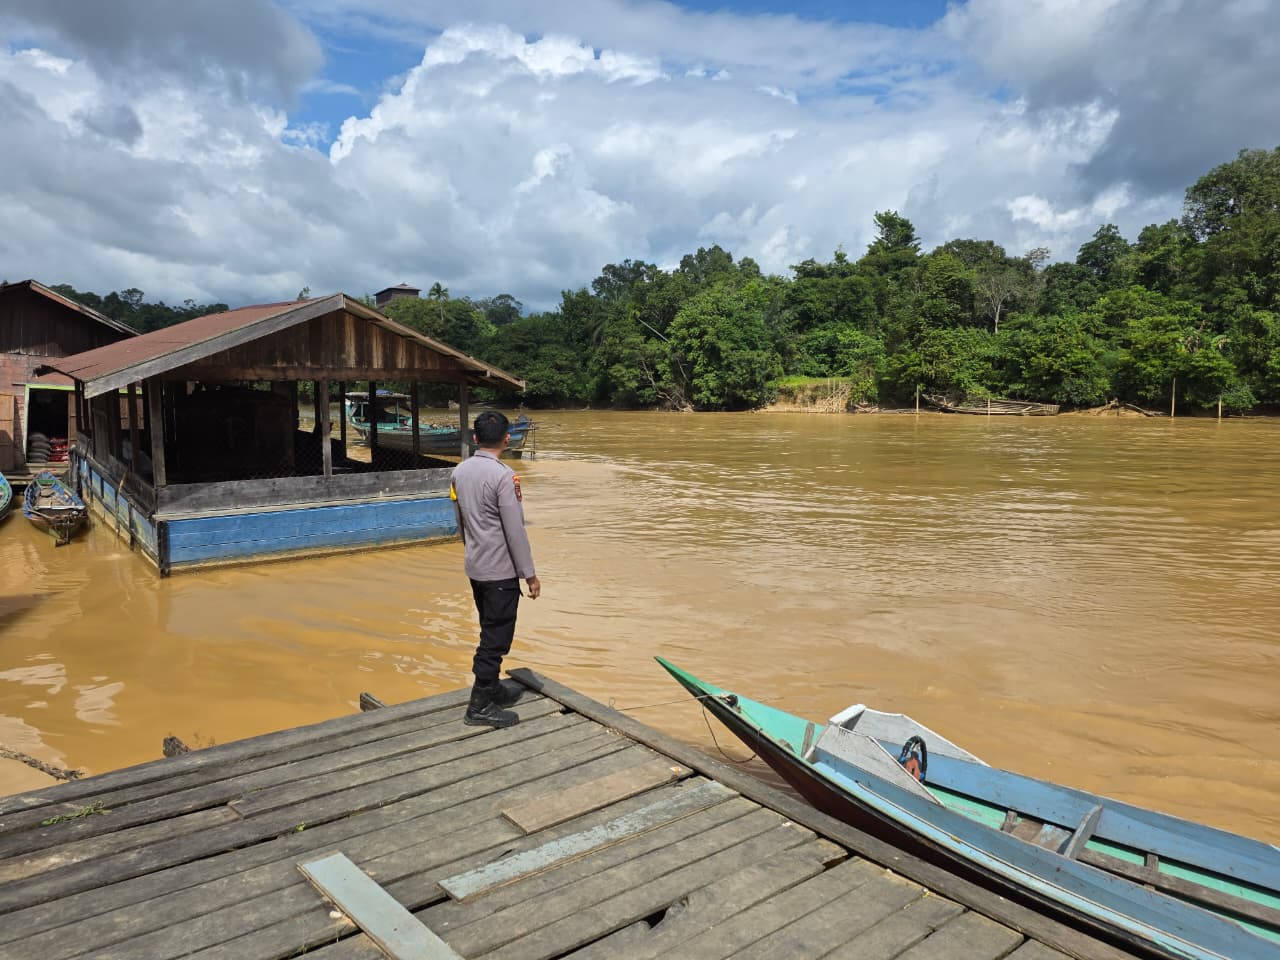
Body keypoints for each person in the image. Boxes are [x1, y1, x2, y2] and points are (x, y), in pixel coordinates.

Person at [450, 411, 541, 727]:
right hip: (500, 572)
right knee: (495, 639)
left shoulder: (459, 472)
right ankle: (479, 706)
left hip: (476, 567)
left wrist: (473, 550)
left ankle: (493, 688)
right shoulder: (504, 476)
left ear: (475, 439)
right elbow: (514, 530)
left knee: (489, 628)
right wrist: (529, 574)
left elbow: (460, 522)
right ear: (507, 438)